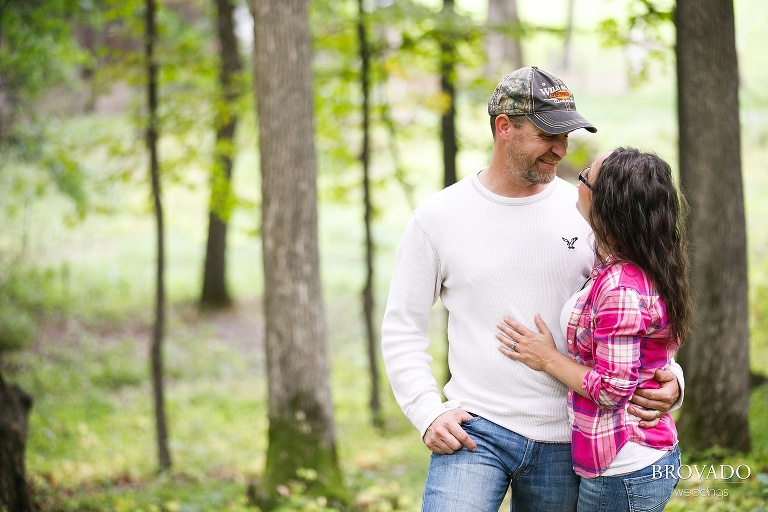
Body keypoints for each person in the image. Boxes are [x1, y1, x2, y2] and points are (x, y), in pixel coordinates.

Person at [381, 66, 685, 512]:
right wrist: (427, 411)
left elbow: (642, 310)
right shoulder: (438, 218)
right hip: (476, 428)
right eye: (548, 135)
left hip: (570, 438)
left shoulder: (590, 210)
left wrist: (673, 381)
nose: (561, 150)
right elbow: (403, 326)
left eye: (567, 135)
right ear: (504, 127)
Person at [496, 147, 691, 512]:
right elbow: (649, 349)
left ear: (606, 205)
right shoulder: (639, 258)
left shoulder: (620, 285)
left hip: (624, 466)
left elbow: (615, 389)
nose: (577, 180)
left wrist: (547, 358)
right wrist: (675, 381)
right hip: (620, 459)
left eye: (585, 175)